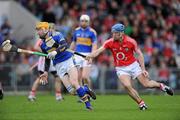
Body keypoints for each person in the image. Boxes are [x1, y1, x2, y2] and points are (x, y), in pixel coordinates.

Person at [86, 23, 174, 110]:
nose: (113, 35)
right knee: (126, 85)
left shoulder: (131, 41)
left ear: (121, 33)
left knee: (146, 84)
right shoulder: (110, 42)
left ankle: (161, 86)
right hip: (121, 68)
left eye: (115, 33)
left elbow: (139, 54)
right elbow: (98, 51)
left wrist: (143, 69)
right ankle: (141, 103)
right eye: (113, 33)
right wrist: (90, 55)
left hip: (133, 66)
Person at [35, 22, 95, 110]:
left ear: (44, 29)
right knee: (72, 91)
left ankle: (88, 104)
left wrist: (55, 52)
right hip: (58, 66)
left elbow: (64, 45)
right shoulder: (42, 44)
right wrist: (45, 72)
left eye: (39, 30)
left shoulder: (57, 35)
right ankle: (85, 89)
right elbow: (47, 58)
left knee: (74, 82)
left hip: (68, 60)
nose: (37, 32)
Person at [28, 23, 65, 102]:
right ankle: (32, 94)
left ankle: (58, 96)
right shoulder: (42, 39)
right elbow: (35, 47)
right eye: (51, 28)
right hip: (45, 59)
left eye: (53, 28)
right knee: (40, 78)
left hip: (54, 59)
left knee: (57, 77)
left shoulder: (55, 37)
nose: (52, 29)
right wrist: (45, 53)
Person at [70, 14, 97, 92]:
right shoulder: (76, 30)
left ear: (89, 22)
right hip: (77, 55)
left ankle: (89, 91)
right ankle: (83, 95)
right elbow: (74, 42)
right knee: (78, 77)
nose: (84, 23)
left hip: (87, 55)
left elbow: (94, 45)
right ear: (79, 21)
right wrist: (69, 52)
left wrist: (91, 56)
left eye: (86, 21)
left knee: (85, 77)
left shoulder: (92, 32)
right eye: (82, 21)